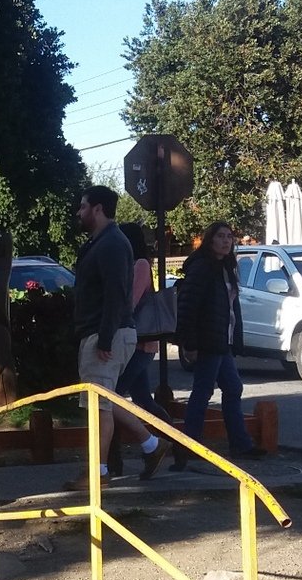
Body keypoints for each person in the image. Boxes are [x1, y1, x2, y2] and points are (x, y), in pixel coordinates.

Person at [67, 187, 165, 491]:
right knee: (106, 400)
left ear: (98, 209)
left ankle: (99, 473)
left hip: (104, 332)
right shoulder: (103, 242)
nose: (79, 213)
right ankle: (151, 444)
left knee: (99, 406)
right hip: (101, 331)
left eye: (83, 207)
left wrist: (106, 339)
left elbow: (115, 294)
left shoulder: (111, 244)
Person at [176, 221, 265, 465]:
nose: (226, 241)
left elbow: (229, 307)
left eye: (229, 237)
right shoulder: (202, 267)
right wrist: (190, 343)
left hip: (221, 339)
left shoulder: (225, 267)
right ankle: (189, 446)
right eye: (220, 236)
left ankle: (240, 443)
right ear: (210, 240)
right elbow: (188, 305)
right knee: (203, 392)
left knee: (233, 388)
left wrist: (236, 339)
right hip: (208, 339)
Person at [110, 222, 172, 472]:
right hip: (139, 344)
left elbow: (130, 302)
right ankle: (175, 445)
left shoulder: (140, 265)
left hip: (139, 344)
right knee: (144, 400)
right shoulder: (134, 264)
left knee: (109, 400)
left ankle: (116, 461)